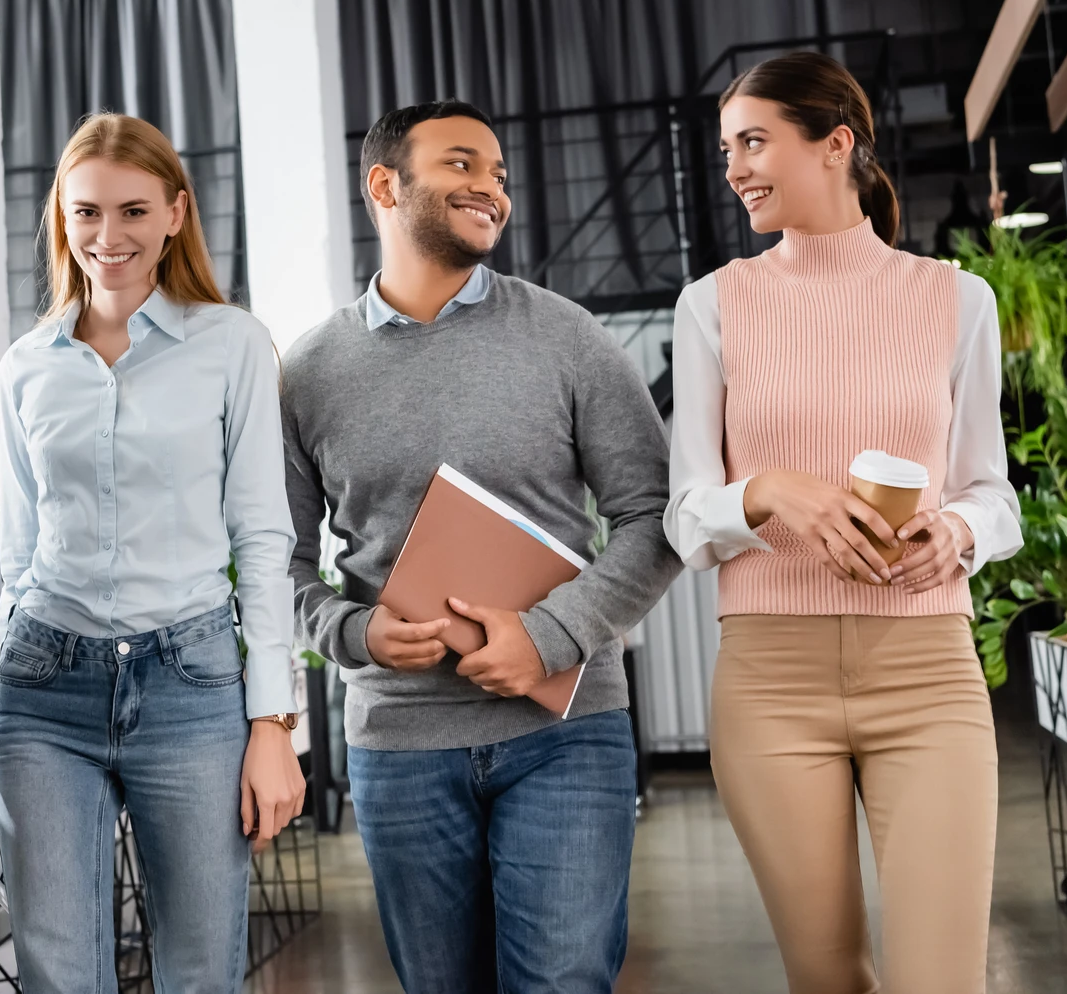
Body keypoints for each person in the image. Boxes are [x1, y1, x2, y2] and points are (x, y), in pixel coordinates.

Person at [281, 99, 682, 993]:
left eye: (498, 175)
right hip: (398, 740)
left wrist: (547, 635)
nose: (491, 190)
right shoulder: (306, 372)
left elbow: (657, 518)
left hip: (564, 732)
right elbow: (276, 563)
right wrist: (352, 634)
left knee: (560, 982)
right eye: (462, 165)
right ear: (385, 185)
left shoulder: (568, 337)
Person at [665, 51, 1022, 994]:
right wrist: (770, 491)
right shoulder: (710, 306)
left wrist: (957, 531)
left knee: (939, 980)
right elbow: (686, 517)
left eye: (753, 142)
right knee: (827, 982)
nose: (734, 167)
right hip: (769, 679)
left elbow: (993, 491)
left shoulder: (956, 298)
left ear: (835, 144)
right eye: (726, 148)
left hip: (927, 674)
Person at [0, 113, 306, 994]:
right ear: (60, 216)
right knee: (58, 973)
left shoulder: (232, 344)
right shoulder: (24, 366)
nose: (107, 235)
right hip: (45, 686)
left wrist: (272, 723)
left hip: (192, 681)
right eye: (86, 212)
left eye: (131, 211)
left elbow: (262, 537)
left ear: (175, 213)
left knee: (202, 969)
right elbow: (15, 549)